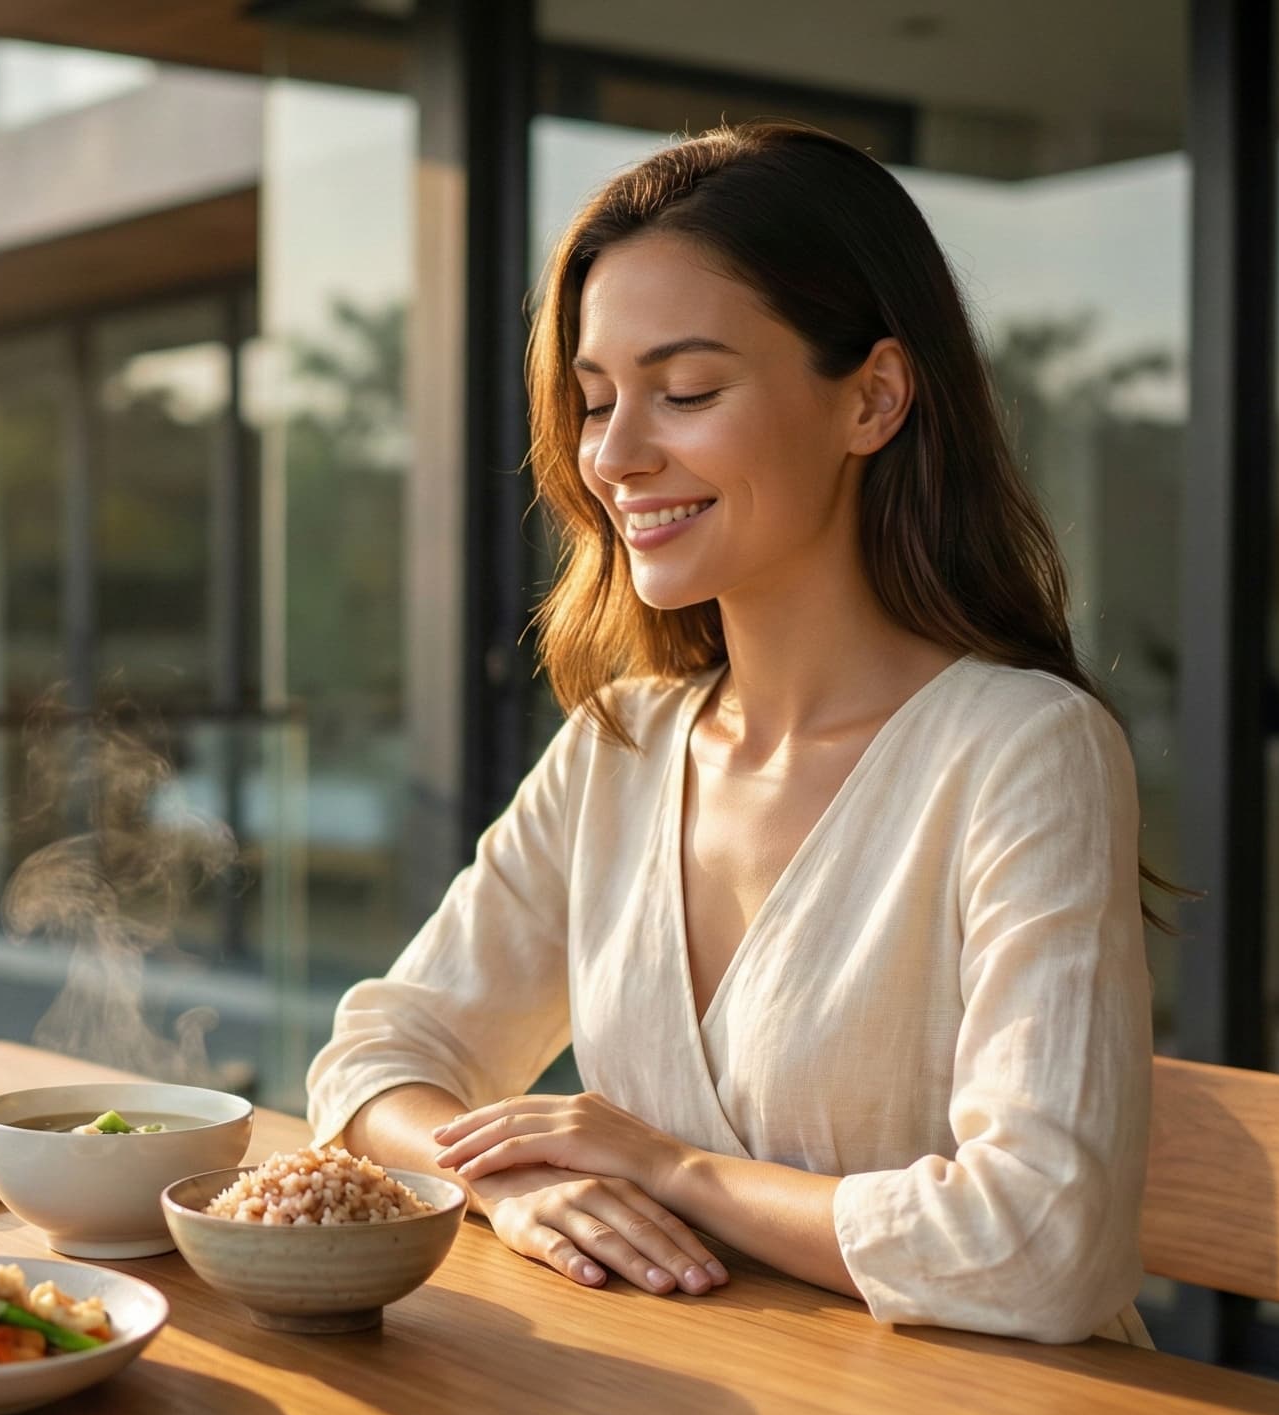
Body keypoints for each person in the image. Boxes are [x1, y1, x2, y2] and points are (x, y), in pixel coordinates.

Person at [307, 123, 1169, 1346]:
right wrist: (511, 1180)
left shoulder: (1023, 752)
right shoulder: (622, 745)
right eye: (595, 400)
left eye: (688, 391)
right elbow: (379, 1053)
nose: (611, 455)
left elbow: (1040, 1249)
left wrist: (667, 1169)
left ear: (870, 396)